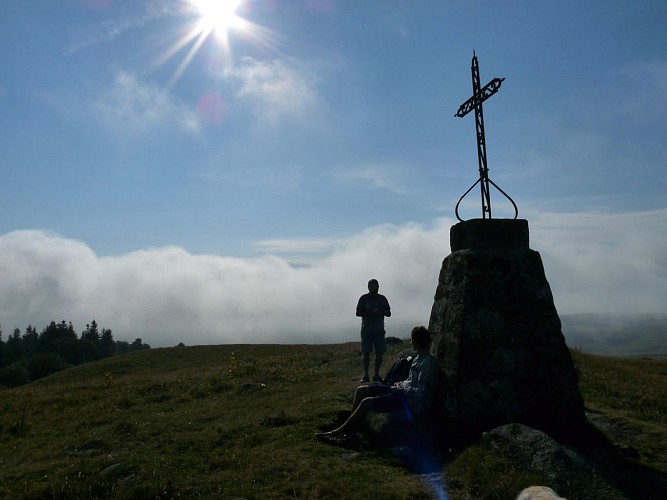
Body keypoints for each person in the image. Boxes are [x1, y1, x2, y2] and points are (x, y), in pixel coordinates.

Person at [317, 326, 439, 440]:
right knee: (362, 390)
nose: (411, 342)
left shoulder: (428, 363)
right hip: (402, 393)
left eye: (412, 340)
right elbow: (411, 381)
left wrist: (403, 390)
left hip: (411, 402)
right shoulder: (418, 358)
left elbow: (423, 393)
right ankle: (351, 429)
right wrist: (400, 384)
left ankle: (341, 432)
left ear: (417, 341)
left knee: (366, 402)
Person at [356, 278, 391, 382]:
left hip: (379, 330)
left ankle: (376, 375)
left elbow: (389, 313)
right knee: (366, 352)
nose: (373, 288)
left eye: (375, 286)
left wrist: (382, 312)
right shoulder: (363, 298)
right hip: (367, 330)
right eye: (371, 286)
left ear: (378, 287)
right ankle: (366, 375)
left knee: (379, 352)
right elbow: (357, 313)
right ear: (368, 287)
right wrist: (370, 314)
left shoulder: (382, 299)